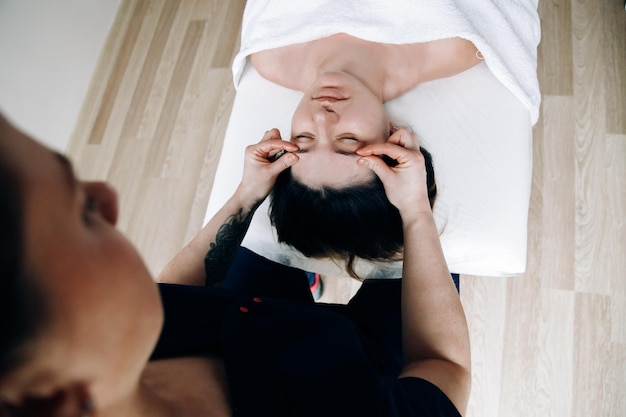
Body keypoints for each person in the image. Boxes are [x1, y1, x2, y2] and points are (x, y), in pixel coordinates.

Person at [0, 112, 470, 416]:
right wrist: (414, 211)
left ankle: (298, 275)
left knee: (267, 246)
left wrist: (246, 197)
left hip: (243, 306)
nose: (106, 195)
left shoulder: (113, 334)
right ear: (56, 399)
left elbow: (173, 298)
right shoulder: (345, 406)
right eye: (83, 215)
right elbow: (442, 365)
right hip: (367, 361)